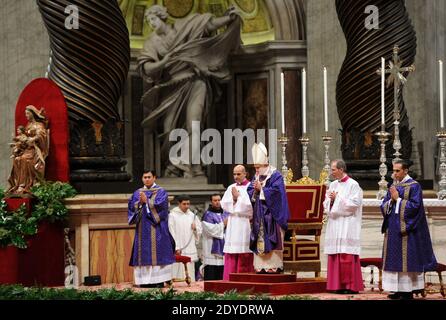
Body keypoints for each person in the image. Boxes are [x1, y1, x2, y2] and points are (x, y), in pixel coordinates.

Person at [137, 4, 242, 178]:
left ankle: (194, 167)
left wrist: (228, 19)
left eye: (153, 19)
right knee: (169, 129)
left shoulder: (184, 26)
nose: (151, 24)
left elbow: (207, 25)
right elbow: (147, 68)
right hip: (170, 87)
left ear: (162, 16)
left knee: (194, 124)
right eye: (148, 21)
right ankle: (174, 166)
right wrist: (165, 62)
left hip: (195, 81)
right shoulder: (152, 42)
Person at [380, 160, 438, 300]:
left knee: (407, 260)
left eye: (397, 171)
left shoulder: (414, 186)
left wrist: (398, 199)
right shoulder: (394, 185)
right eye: (393, 171)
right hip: (393, 230)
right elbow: (384, 205)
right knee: (394, 260)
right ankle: (397, 289)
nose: (394, 174)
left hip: (407, 231)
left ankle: (407, 290)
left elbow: (415, 207)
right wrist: (391, 201)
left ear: (405, 171)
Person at [128, 169, 175, 288]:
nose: (147, 179)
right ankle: (144, 281)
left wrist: (147, 202)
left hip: (157, 228)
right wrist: (139, 203)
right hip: (142, 230)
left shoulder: (161, 192)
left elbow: (162, 209)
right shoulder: (137, 192)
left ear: (154, 178)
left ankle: (158, 281)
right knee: (143, 254)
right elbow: (132, 208)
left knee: (157, 254)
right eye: (145, 177)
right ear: (142, 179)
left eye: (149, 177)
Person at [247, 143, 290, 274]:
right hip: (259, 215)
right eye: (255, 167)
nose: (256, 170)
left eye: (258, 167)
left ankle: (273, 267)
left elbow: (278, 193)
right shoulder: (256, 176)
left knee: (273, 238)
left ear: (265, 165)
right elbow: (250, 190)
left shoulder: (275, 175)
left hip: (273, 216)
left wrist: (262, 190)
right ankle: (260, 268)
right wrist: (254, 191)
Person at [323, 159, 364, 294]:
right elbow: (326, 203)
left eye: (333, 169)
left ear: (341, 170)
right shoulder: (333, 184)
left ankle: (349, 286)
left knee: (346, 255)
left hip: (348, 224)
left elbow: (354, 205)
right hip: (335, 224)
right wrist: (332, 200)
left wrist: (337, 199)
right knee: (336, 254)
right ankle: (336, 286)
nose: (331, 172)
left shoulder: (354, 185)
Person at [221, 164, 254, 280]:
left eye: (238, 174)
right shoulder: (231, 187)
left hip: (244, 222)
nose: (236, 176)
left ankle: (243, 277)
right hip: (233, 222)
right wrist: (234, 199)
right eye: (234, 174)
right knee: (231, 250)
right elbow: (224, 204)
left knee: (243, 250)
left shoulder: (251, 187)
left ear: (245, 174)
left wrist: (238, 198)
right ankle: (229, 278)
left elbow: (250, 206)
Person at [7, 105, 49, 194]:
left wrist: (33, 139)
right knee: (17, 159)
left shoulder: (39, 125)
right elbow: (24, 136)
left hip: (35, 150)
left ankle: (24, 185)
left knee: (24, 159)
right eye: (25, 114)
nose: (26, 115)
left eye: (27, 113)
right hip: (26, 149)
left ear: (32, 114)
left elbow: (42, 135)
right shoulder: (28, 125)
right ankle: (18, 184)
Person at [168, 194, 202, 282]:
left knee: (190, 270)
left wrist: (195, 229)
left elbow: (199, 230)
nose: (187, 206)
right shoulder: (172, 215)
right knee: (177, 269)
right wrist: (176, 247)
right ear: (179, 203)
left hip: (189, 246)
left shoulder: (192, 215)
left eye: (188, 204)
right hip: (178, 248)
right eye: (184, 204)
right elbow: (171, 232)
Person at [201, 194, 229, 280]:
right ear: (211, 202)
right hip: (211, 248)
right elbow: (210, 230)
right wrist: (223, 224)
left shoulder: (225, 213)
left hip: (224, 246)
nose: (217, 202)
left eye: (219, 200)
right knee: (211, 272)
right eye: (215, 200)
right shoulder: (207, 215)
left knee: (222, 270)